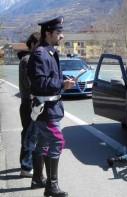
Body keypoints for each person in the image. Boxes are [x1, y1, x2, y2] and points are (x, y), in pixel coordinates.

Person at [27, 15, 75, 197]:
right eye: (58, 32)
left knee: (45, 142)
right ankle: (51, 187)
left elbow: (49, 79)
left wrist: (63, 81)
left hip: (50, 107)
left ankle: (38, 179)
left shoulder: (50, 51)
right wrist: (63, 84)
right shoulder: (40, 54)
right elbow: (40, 83)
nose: (61, 36)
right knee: (57, 141)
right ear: (48, 33)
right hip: (46, 109)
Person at [17, 32, 41, 178]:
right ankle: (26, 167)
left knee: (31, 134)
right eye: (39, 44)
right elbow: (29, 83)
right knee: (30, 135)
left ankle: (27, 163)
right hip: (29, 103)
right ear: (32, 44)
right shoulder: (28, 60)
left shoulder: (28, 59)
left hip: (29, 102)